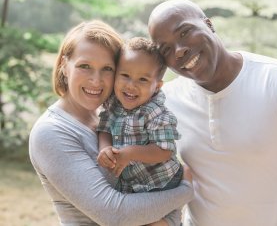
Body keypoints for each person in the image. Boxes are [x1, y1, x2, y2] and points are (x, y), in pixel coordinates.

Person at [148, 0, 277, 226]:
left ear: (209, 25)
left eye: (185, 32)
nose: (179, 50)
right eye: (166, 49)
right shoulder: (166, 102)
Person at [29, 20, 194, 226]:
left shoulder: (112, 115)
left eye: (107, 68)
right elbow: (115, 214)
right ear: (64, 65)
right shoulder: (51, 132)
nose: (96, 80)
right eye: (84, 66)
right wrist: (185, 191)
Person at [96, 37, 184, 225]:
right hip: (133, 184)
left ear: (157, 86)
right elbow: (104, 129)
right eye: (125, 75)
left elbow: (164, 150)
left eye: (143, 79)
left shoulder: (156, 112)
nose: (131, 85)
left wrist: (130, 153)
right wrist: (105, 148)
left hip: (161, 181)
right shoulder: (113, 105)